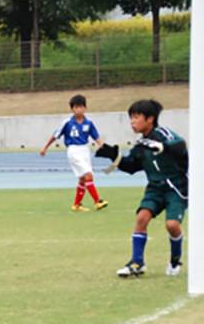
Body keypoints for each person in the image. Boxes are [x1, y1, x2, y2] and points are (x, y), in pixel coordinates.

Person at [95, 99, 188, 278]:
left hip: (176, 187)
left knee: (172, 225)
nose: (132, 122)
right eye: (131, 118)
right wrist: (113, 155)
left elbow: (180, 145)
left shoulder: (163, 134)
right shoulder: (140, 145)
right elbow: (131, 166)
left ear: (150, 119)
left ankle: (175, 259)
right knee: (141, 219)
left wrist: (162, 147)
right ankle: (137, 262)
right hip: (155, 188)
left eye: (136, 117)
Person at [40, 94, 108, 212]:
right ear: (72, 109)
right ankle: (97, 201)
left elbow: (96, 137)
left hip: (85, 150)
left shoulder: (89, 123)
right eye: (76, 107)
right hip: (73, 150)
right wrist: (45, 147)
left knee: (82, 179)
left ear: (85, 108)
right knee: (88, 175)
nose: (78, 109)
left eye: (81, 107)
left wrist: (105, 148)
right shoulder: (67, 122)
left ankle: (76, 205)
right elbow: (55, 135)